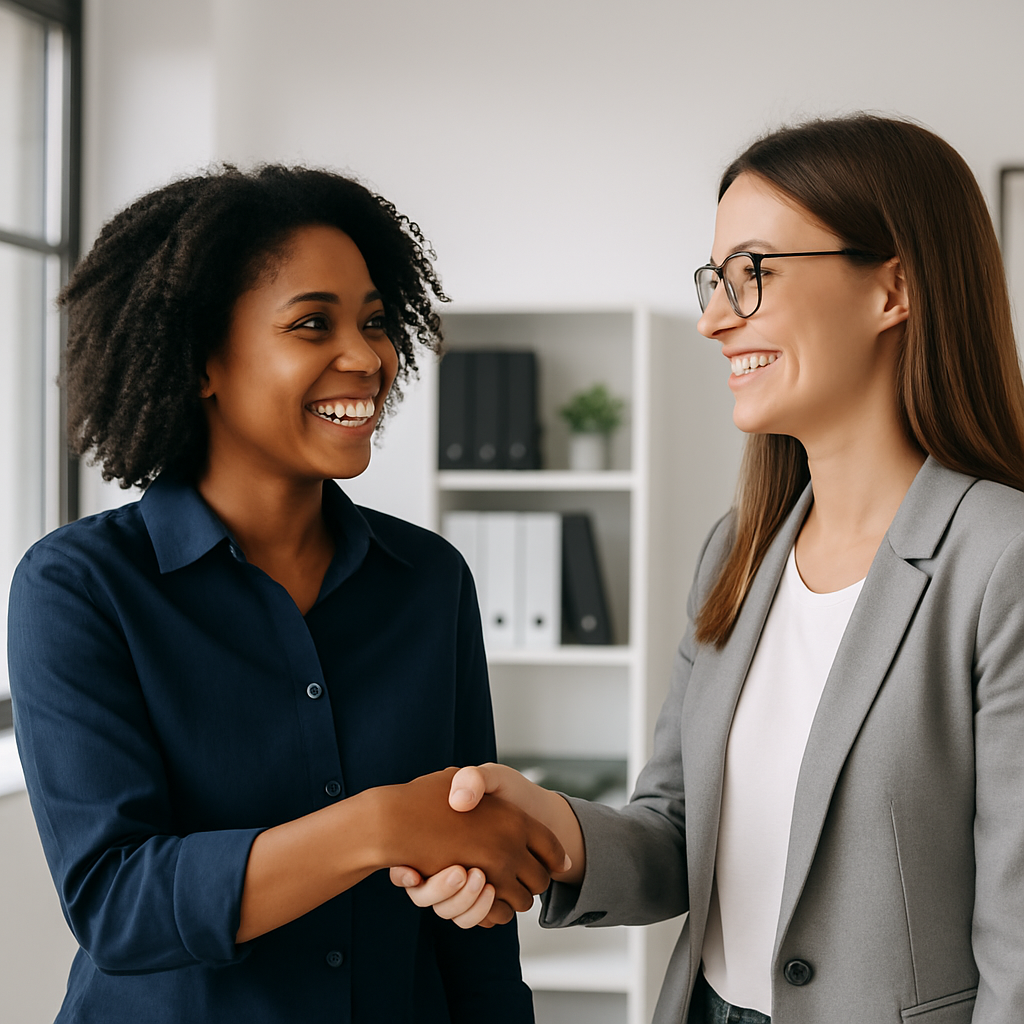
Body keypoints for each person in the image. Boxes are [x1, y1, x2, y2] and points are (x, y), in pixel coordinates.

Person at [391, 115, 1024, 1023]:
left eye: (751, 275)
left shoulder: (1001, 559)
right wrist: (547, 827)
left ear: (893, 288)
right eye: (713, 281)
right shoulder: (738, 549)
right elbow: (680, 834)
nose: (713, 319)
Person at [7, 165, 567, 1024]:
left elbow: (476, 926)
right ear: (201, 362)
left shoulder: (428, 581)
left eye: (375, 322)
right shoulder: (79, 588)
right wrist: (378, 826)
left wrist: (472, 879)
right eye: (313, 324)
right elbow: (119, 904)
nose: (368, 357)